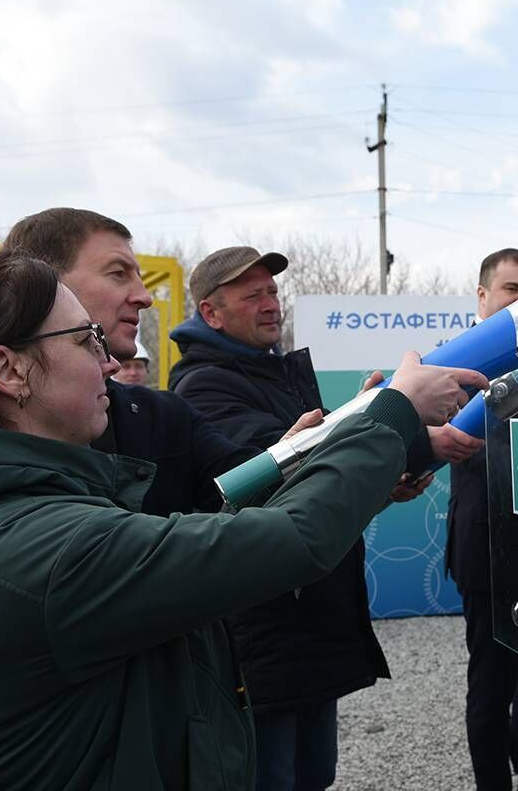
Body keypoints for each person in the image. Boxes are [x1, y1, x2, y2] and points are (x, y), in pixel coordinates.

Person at [0, 249, 485, 790]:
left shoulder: (14, 504)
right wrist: (394, 412)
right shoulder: (38, 541)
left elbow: (211, 510)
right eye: (83, 339)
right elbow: (288, 538)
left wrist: (343, 447)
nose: (107, 361)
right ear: (8, 369)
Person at [0, 207, 276, 791]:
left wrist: (317, 457)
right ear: (42, 283)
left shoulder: (159, 415)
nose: (143, 297)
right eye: (119, 273)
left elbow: (239, 497)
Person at [169, 245, 457, 791]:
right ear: (211, 313)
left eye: (273, 291)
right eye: (251, 294)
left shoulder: (275, 372)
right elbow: (270, 484)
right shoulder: (205, 386)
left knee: (312, 774)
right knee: (272, 776)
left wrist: (383, 475)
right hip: (265, 629)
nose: (270, 303)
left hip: (306, 625)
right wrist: (399, 419)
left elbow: (318, 482)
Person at [446, 248, 518, 791]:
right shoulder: (460, 369)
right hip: (489, 558)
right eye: (512, 290)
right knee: (491, 692)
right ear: (483, 297)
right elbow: (467, 449)